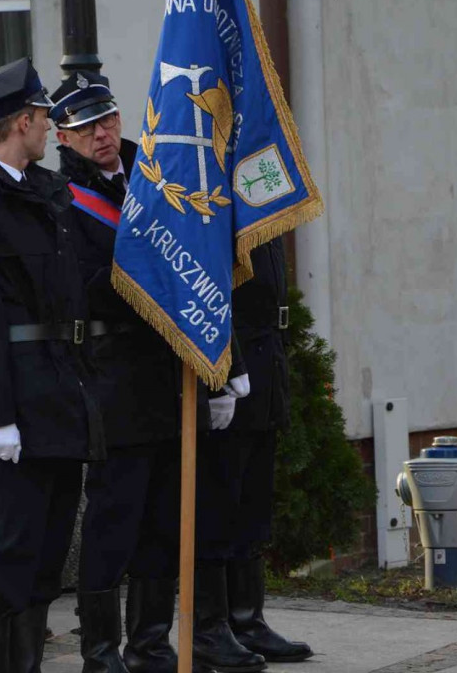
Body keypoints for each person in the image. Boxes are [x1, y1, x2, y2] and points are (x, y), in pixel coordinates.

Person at [52, 70, 246, 673]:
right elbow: (85, 285)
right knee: (114, 520)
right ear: (63, 135)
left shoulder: (159, 176)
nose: (103, 136)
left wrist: (219, 370)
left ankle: (151, 642)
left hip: (171, 371)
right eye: (87, 128)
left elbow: (203, 267)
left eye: (108, 121)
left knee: (166, 517)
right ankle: (102, 649)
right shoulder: (60, 196)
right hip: (112, 374)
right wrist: (151, 278)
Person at [0, 57, 105, 669]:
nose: (51, 127)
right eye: (45, 117)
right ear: (22, 121)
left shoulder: (47, 193)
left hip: (59, 398)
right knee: (4, 558)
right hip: (12, 409)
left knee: (47, 556)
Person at [193, 237, 312, 671]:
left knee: (252, 504)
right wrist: (220, 375)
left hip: (265, 362)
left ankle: (247, 618)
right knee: (219, 502)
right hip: (233, 361)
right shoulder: (218, 200)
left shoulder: (263, 209)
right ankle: (209, 626)